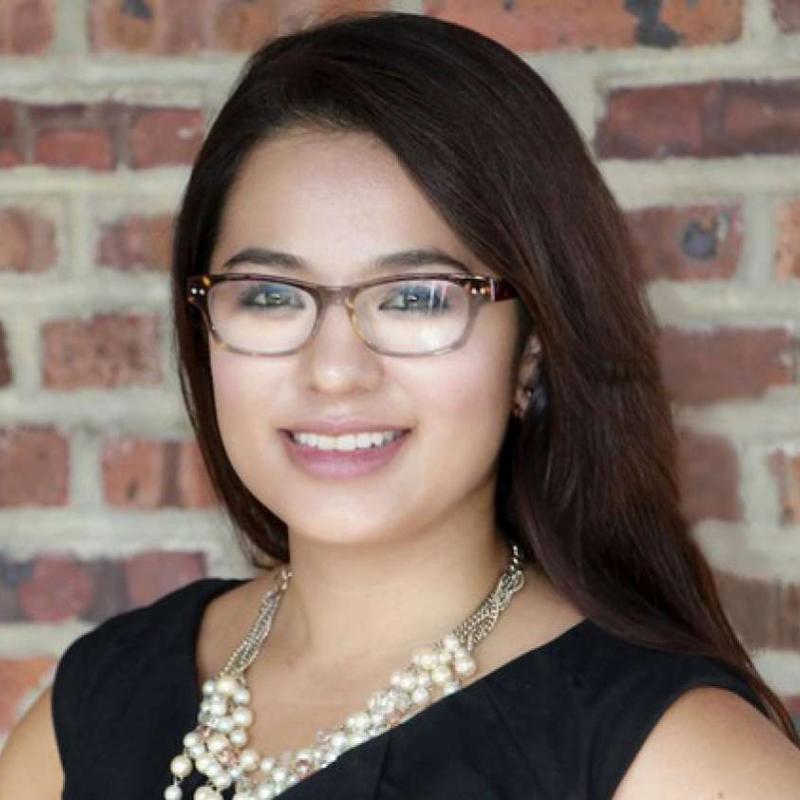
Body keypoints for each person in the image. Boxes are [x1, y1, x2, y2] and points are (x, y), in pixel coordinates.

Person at [2, 9, 799, 799]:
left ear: (531, 349)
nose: (336, 371)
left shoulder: (674, 753)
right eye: (273, 295)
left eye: (417, 297)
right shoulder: (106, 693)